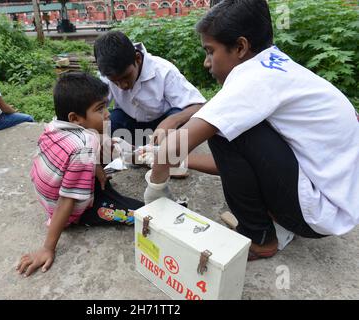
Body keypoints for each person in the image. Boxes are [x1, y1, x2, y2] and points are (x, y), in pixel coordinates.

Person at [144, 0, 359, 261]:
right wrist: (181, 158)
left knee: (222, 130)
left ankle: (261, 239)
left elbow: (175, 147)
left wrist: (156, 187)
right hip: (333, 200)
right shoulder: (275, 64)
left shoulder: (252, 79)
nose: (206, 63)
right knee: (227, 125)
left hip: (318, 212)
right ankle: (274, 217)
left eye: (210, 51)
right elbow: (244, 163)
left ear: (241, 47)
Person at [17, 72, 144, 277]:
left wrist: (97, 169)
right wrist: (48, 247)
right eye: (100, 109)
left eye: (105, 106)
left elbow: (70, 158)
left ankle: (99, 180)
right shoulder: (83, 145)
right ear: (75, 118)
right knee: (140, 213)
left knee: (106, 159)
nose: (108, 114)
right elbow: (67, 200)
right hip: (68, 209)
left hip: (51, 191)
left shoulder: (54, 126)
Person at [93, 31, 207, 146]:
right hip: (129, 129)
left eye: (126, 77)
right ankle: (118, 156)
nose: (122, 86)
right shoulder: (108, 73)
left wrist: (173, 120)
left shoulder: (164, 71)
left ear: (137, 59)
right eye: (115, 82)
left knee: (178, 116)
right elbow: (91, 108)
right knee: (108, 120)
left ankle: (169, 156)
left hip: (161, 129)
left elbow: (199, 106)